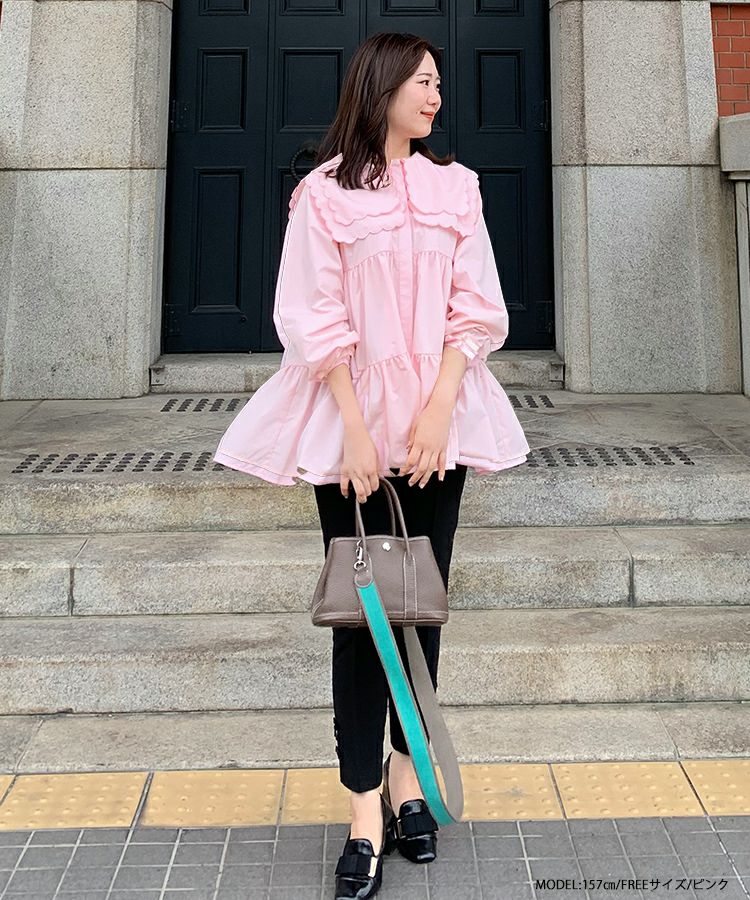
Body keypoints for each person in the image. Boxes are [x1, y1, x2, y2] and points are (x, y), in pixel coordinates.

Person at [213, 30, 530, 900]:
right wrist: (355, 431)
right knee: (362, 623)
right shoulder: (323, 195)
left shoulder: (456, 188)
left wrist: (438, 409)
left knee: (419, 610)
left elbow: (477, 307)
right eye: (421, 81)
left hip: (438, 427)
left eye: (438, 83)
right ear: (381, 87)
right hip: (350, 428)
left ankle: (407, 779)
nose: (435, 96)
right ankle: (363, 811)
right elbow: (310, 315)